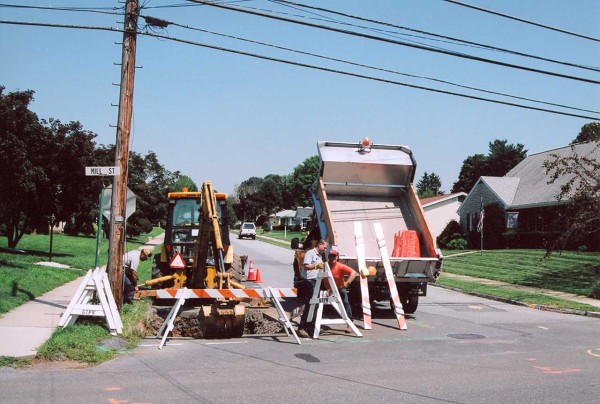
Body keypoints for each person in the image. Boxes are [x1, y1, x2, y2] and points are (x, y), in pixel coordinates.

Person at [297, 239, 328, 338]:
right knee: (310, 304)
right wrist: (316, 266)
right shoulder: (310, 253)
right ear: (319, 245)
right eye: (324, 247)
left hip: (316, 281)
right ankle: (302, 327)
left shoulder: (319, 256)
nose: (325, 249)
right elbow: (306, 266)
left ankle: (311, 326)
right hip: (309, 281)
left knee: (316, 305)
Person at [325, 250, 357, 332]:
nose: (332, 258)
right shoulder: (325, 265)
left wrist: (348, 282)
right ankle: (313, 324)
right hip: (327, 289)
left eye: (334, 256)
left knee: (346, 303)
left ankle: (350, 324)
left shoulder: (340, 266)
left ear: (337, 257)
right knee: (318, 304)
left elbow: (353, 272)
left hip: (339, 288)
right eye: (331, 256)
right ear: (328, 257)